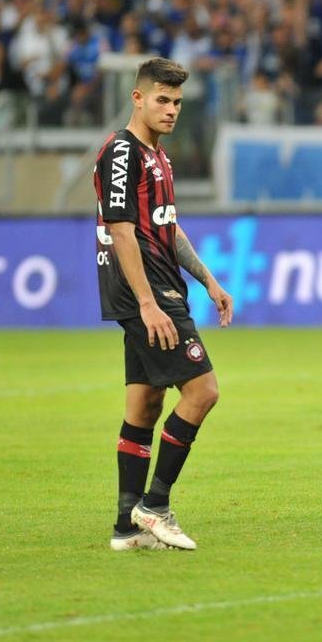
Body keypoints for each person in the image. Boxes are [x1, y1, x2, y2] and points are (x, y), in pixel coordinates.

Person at [93, 57, 234, 551]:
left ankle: (126, 527)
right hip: (147, 294)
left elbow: (166, 228)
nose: (171, 110)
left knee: (145, 403)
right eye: (162, 100)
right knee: (203, 392)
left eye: (176, 102)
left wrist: (210, 280)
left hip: (159, 288)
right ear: (138, 98)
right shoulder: (121, 152)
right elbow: (122, 230)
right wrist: (149, 305)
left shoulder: (159, 156)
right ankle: (155, 506)